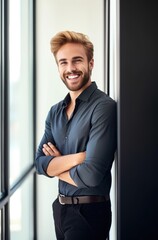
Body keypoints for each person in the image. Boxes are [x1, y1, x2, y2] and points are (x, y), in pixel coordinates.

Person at [35, 30, 117, 240]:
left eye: (77, 60)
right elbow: (39, 164)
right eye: (63, 62)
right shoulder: (55, 111)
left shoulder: (104, 107)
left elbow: (91, 176)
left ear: (91, 63)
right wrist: (78, 158)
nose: (70, 68)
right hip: (60, 209)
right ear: (58, 67)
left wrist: (55, 165)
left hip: (90, 213)